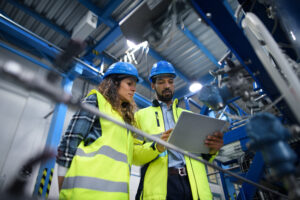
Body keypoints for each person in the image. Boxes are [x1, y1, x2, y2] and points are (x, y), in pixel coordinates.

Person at [56, 62, 160, 200]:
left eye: (134, 85)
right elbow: (70, 142)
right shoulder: (96, 101)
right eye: (129, 83)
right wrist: (63, 183)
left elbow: (134, 155)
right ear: (114, 83)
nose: (134, 89)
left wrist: (157, 146)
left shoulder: (126, 122)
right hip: (84, 194)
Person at [134, 61, 224, 200]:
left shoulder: (189, 116)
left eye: (170, 81)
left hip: (194, 187)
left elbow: (201, 155)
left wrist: (212, 150)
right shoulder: (140, 116)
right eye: (161, 82)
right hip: (164, 188)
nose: (167, 86)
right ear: (153, 85)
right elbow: (135, 155)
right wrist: (156, 147)